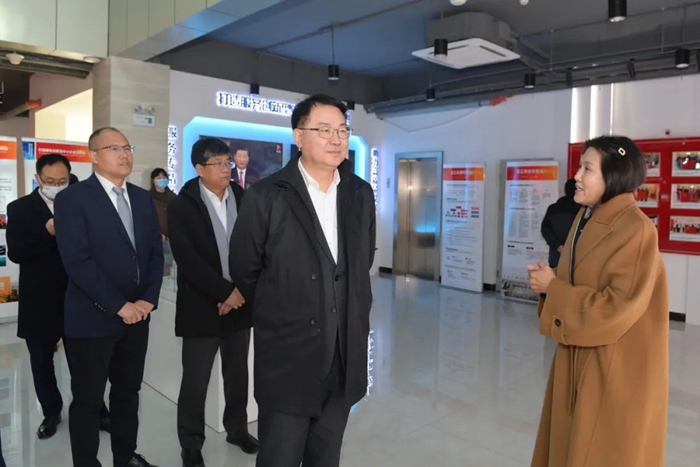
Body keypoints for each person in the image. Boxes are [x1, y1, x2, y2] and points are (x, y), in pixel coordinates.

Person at [231, 94, 376, 467]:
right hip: (289, 358)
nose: (336, 139)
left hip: (343, 356)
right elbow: (245, 270)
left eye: (342, 130)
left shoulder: (360, 193)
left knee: (325, 457)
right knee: (279, 456)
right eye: (324, 129)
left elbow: (361, 263)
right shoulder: (266, 196)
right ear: (298, 137)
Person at [527, 135, 669, 467]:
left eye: (587, 169)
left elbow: (615, 308)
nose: (576, 176)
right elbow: (584, 279)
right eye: (580, 167)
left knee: (598, 451)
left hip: (612, 365)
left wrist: (554, 289)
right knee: (569, 446)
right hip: (578, 353)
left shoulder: (635, 229)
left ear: (614, 175)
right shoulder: (586, 217)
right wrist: (549, 282)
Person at [54, 127, 164, 467]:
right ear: (94, 156)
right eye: (114, 148)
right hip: (91, 318)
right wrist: (119, 306)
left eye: (127, 147)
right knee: (88, 400)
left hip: (137, 318)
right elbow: (78, 261)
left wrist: (147, 299)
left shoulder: (142, 198)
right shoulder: (72, 199)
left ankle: (125, 457)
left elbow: (154, 254)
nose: (124, 154)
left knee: (128, 393)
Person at [167, 138, 258, 467]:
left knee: (238, 375)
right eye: (217, 164)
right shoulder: (182, 205)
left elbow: (256, 247)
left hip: (240, 303)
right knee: (195, 380)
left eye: (227, 163)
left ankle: (237, 429)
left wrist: (240, 292)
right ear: (199, 168)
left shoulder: (243, 197)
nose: (225, 169)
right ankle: (191, 444)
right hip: (201, 306)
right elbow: (187, 259)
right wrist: (224, 292)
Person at [7, 154, 110, 440]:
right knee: (41, 361)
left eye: (62, 181)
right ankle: (51, 412)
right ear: (38, 179)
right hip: (39, 299)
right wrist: (47, 231)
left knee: (85, 361)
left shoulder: (82, 203)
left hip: (78, 295)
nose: (56, 185)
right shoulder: (20, 208)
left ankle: (97, 410)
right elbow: (16, 252)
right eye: (50, 181)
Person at [540, 179, 580, 268]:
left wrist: (558, 246)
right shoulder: (583, 210)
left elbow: (545, 230)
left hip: (556, 258)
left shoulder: (553, 208)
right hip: (577, 259)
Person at [149, 168, 176, 240]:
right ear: (153, 181)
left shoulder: (173, 196)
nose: (162, 180)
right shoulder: (148, 197)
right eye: (159, 178)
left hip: (174, 236)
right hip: (157, 237)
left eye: (164, 178)